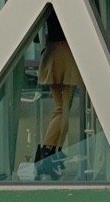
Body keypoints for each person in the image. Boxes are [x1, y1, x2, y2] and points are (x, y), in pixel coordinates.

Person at [34, 12, 79, 180]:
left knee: (60, 108)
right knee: (63, 108)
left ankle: (51, 151)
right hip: (65, 51)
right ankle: (49, 151)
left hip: (51, 51)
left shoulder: (49, 8)